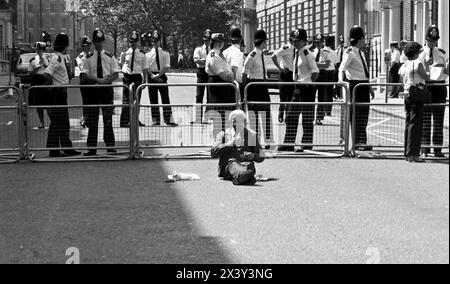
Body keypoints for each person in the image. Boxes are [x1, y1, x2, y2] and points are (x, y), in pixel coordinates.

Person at [277, 28, 319, 153]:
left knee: (306, 117)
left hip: (306, 88)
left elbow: (315, 71)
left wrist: (308, 82)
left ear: (305, 41)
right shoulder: (297, 52)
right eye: (293, 40)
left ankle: (306, 144)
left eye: (298, 41)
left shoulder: (307, 54)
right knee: (290, 116)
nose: (295, 43)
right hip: (297, 87)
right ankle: (289, 143)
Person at [80, 29, 119, 157]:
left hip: (106, 90)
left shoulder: (110, 56)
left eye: (101, 42)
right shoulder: (88, 57)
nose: (99, 44)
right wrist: (97, 80)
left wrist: (105, 82)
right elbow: (85, 75)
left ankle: (110, 147)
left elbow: (115, 74)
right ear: (93, 43)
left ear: (104, 42)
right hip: (94, 90)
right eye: (96, 42)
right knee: (93, 120)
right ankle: (92, 148)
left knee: (108, 120)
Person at [43, 33, 81, 158]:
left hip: (61, 93)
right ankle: (54, 149)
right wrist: (50, 87)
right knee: (57, 122)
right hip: (57, 93)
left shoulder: (61, 57)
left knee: (63, 122)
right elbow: (47, 73)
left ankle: (66, 148)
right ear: (65, 46)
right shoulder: (57, 59)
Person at [338, 25, 375, 152]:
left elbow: (363, 72)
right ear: (359, 39)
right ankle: (357, 141)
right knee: (356, 115)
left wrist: (369, 87)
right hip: (355, 86)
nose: (365, 40)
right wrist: (341, 82)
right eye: (363, 38)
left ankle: (361, 141)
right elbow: (341, 68)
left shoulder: (361, 52)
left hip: (363, 86)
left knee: (364, 115)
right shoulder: (349, 53)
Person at [211, 110, 265, 186]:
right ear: (230, 122)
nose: (237, 124)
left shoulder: (251, 135)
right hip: (228, 167)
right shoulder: (223, 135)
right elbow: (213, 152)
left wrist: (253, 156)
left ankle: (241, 178)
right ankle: (245, 177)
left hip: (246, 164)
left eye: (240, 121)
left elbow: (261, 155)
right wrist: (230, 144)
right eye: (234, 121)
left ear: (244, 122)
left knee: (249, 165)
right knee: (233, 164)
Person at [419, 25, 449, 158]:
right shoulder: (420, 54)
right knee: (425, 119)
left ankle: (437, 148)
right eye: (429, 40)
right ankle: (425, 148)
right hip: (426, 87)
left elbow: (446, 72)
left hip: (439, 87)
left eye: (434, 40)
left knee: (438, 120)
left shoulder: (442, 54)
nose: (431, 43)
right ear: (426, 39)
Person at [399, 42, 429, 163]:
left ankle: (407, 153)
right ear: (416, 53)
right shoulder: (418, 63)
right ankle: (414, 154)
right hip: (416, 93)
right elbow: (426, 77)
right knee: (416, 125)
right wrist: (427, 67)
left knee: (408, 124)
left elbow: (401, 78)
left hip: (407, 94)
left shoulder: (404, 65)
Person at [242, 30, 272, 148]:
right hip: (254, 86)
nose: (266, 44)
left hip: (262, 85)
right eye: (265, 41)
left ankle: (268, 140)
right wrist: (246, 91)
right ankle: (255, 142)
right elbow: (245, 74)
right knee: (254, 115)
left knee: (266, 113)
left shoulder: (262, 54)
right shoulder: (252, 55)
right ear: (262, 42)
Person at [205, 33, 236, 135]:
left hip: (223, 87)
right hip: (219, 87)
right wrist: (231, 76)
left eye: (222, 41)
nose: (222, 43)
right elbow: (222, 75)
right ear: (216, 43)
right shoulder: (213, 55)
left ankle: (223, 141)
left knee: (224, 117)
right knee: (219, 116)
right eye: (220, 41)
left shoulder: (219, 55)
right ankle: (219, 142)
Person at [146, 30, 177, 127]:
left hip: (161, 75)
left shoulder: (165, 53)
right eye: (154, 41)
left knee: (165, 98)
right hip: (151, 76)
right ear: (152, 42)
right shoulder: (147, 54)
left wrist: (158, 75)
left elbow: (167, 66)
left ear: (159, 41)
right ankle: (155, 120)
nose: (155, 43)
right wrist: (153, 76)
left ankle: (168, 119)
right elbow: (146, 67)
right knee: (153, 99)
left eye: (157, 41)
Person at [119, 31, 148, 128]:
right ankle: (124, 121)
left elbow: (145, 68)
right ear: (129, 42)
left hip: (137, 78)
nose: (133, 44)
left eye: (135, 42)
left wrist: (145, 80)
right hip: (127, 77)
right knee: (126, 100)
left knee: (137, 100)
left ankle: (135, 120)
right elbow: (121, 63)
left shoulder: (142, 55)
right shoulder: (125, 53)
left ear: (138, 42)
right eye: (132, 42)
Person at [271, 30, 296, 123]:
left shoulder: (298, 49)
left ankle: (288, 115)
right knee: (283, 96)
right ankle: (281, 113)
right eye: (294, 40)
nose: (295, 42)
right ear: (290, 40)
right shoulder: (286, 48)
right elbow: (273, 56)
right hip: (285, 74)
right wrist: (280, 69)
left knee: (290, 96)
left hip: (293, 75)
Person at [311, 33, 332, 125]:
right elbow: (310, 64)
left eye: (320, 42)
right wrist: (320, 64)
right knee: (311, 97)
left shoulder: (326, 52)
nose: (318, 44)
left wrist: (315, 64)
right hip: (314, 74)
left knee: (321, 97)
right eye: (317, 42)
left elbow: (327, 65)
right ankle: (310, 117)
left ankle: (319, 118)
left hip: (323, 75)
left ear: (323, 42)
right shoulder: (311, 51)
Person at [28, 41, 50, 129]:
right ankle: (41, 121)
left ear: (43, 50)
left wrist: (45, 65)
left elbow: (51, 70)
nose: (39, 51)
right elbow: (30, 73)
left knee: (48, 103)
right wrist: (36, 69)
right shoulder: (33, 60)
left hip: (45, 81)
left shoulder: (47, 59)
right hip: (37, 81)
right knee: (39, 104)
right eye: (37, 50)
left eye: (40, 50)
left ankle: (52, 121)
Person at [192, 29, 212, 124]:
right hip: (201, 72)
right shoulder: (199, 49)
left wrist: (203, 60)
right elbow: (196, 60)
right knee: (199, 95)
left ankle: (207, 116)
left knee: (210, 95)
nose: (206, 42)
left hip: (210, 72)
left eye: (208, 40)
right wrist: (207, 61)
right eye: (205, 40)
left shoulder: (213, 50)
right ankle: (198, 117)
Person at [223, 27, 245, 102]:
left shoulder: (225, 52)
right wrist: (235, 85)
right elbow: (234, 68)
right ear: (241, 39)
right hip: (235, 84)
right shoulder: (238, 52)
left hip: (226, 82)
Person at [77, 36, 93, 129]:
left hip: (92, 78)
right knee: (86, 99)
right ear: (82, 47)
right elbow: (83, 67)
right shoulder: (80, 57)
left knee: (91, 99)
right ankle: (85, 117)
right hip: (85, 78)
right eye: (85, 46)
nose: (87, 47)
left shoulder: (92, 55)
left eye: (88, 46)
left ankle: (89, 118)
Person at [323, 36, 338, 117]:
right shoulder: (334, 52)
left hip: (324, 72)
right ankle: (329, 111)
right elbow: (335, 64)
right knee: (330, 92)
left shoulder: (323, 51)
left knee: (324, 92)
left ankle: (324, 109)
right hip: (331, 72)